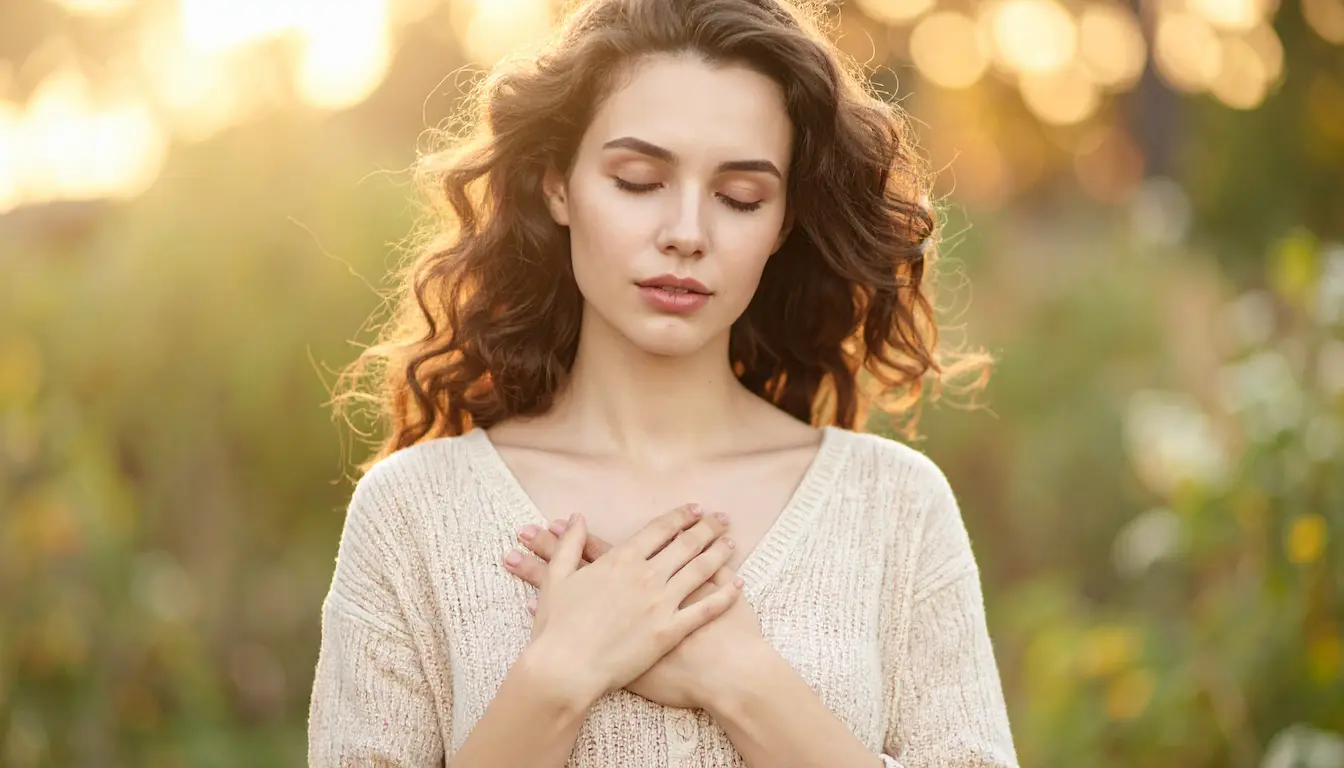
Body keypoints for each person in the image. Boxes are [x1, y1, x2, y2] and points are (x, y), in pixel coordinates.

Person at [308, 0, 1016, 765]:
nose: (686, 233)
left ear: (782, 222)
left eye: (740, 197)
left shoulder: (895, 507)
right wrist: (556, 677)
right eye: (639, 180)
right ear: (556, 185)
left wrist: (745, 683)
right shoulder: (413, 512)